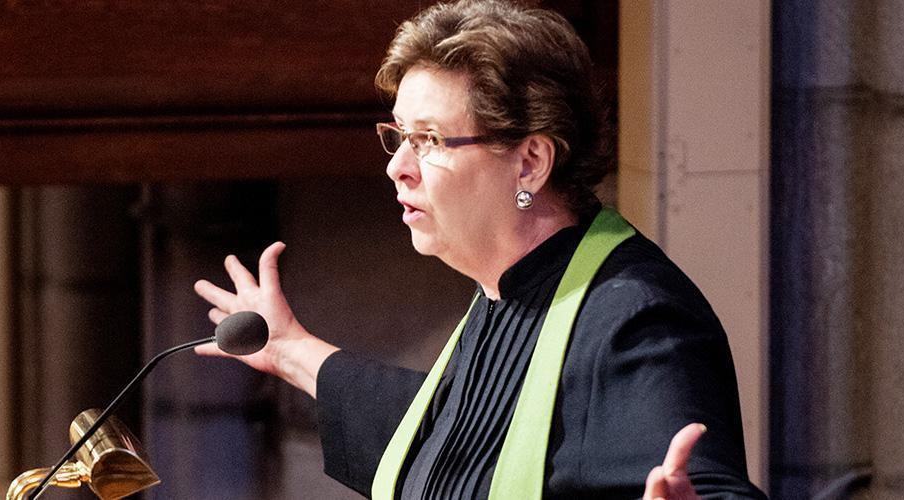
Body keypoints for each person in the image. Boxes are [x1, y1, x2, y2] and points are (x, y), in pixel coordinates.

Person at [193, 1, 766, 498]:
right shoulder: (502, 295)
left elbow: (705, 483)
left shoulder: (633, 319)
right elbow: (454, 438)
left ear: (531, 161)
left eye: (429, 140)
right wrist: (289, 349)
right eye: (398, 136)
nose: (398, 167)